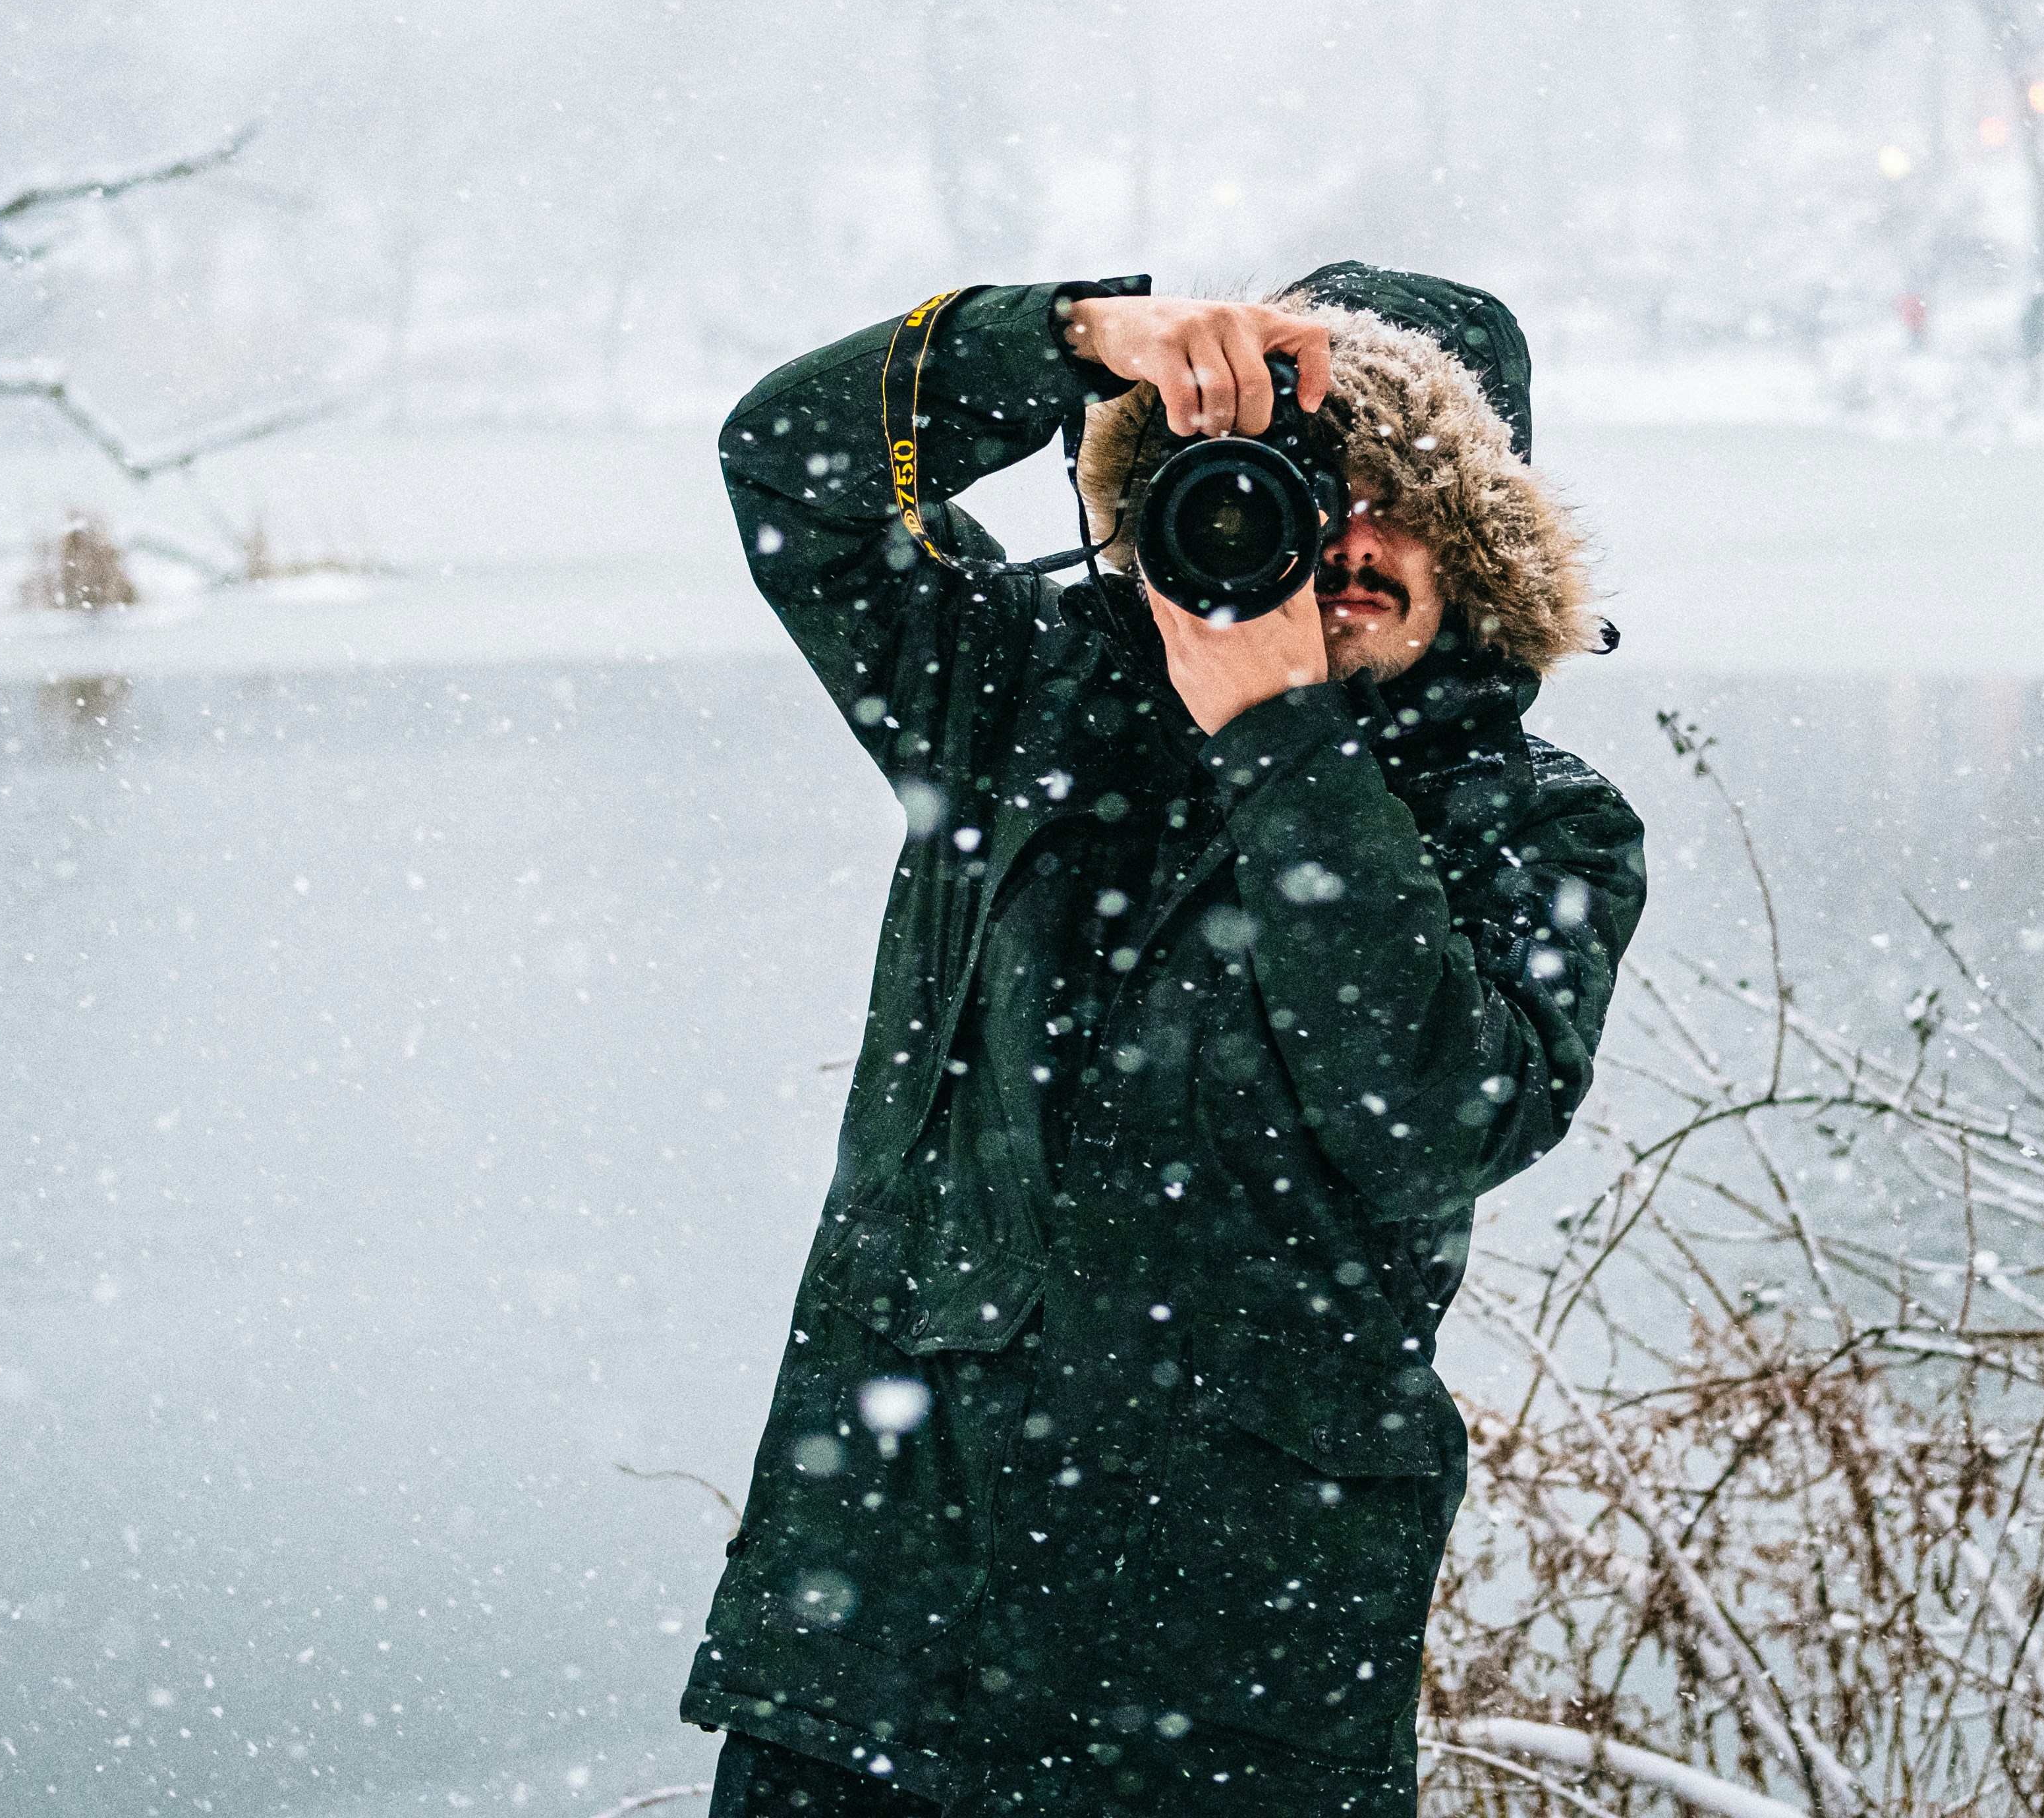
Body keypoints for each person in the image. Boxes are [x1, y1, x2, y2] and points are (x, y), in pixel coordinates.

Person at [682, 268, 1647, 1817]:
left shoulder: (1539, 827)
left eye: (1405, 501)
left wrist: (1280, 734)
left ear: (1480, 549)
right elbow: (787, 469)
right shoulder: (1016, 696)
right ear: (1200, 487)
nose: (1346, 536)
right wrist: (1062, 344)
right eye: (1311, 474)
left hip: (1235, 1702)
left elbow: (1431, 1116)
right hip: (874, 1651)